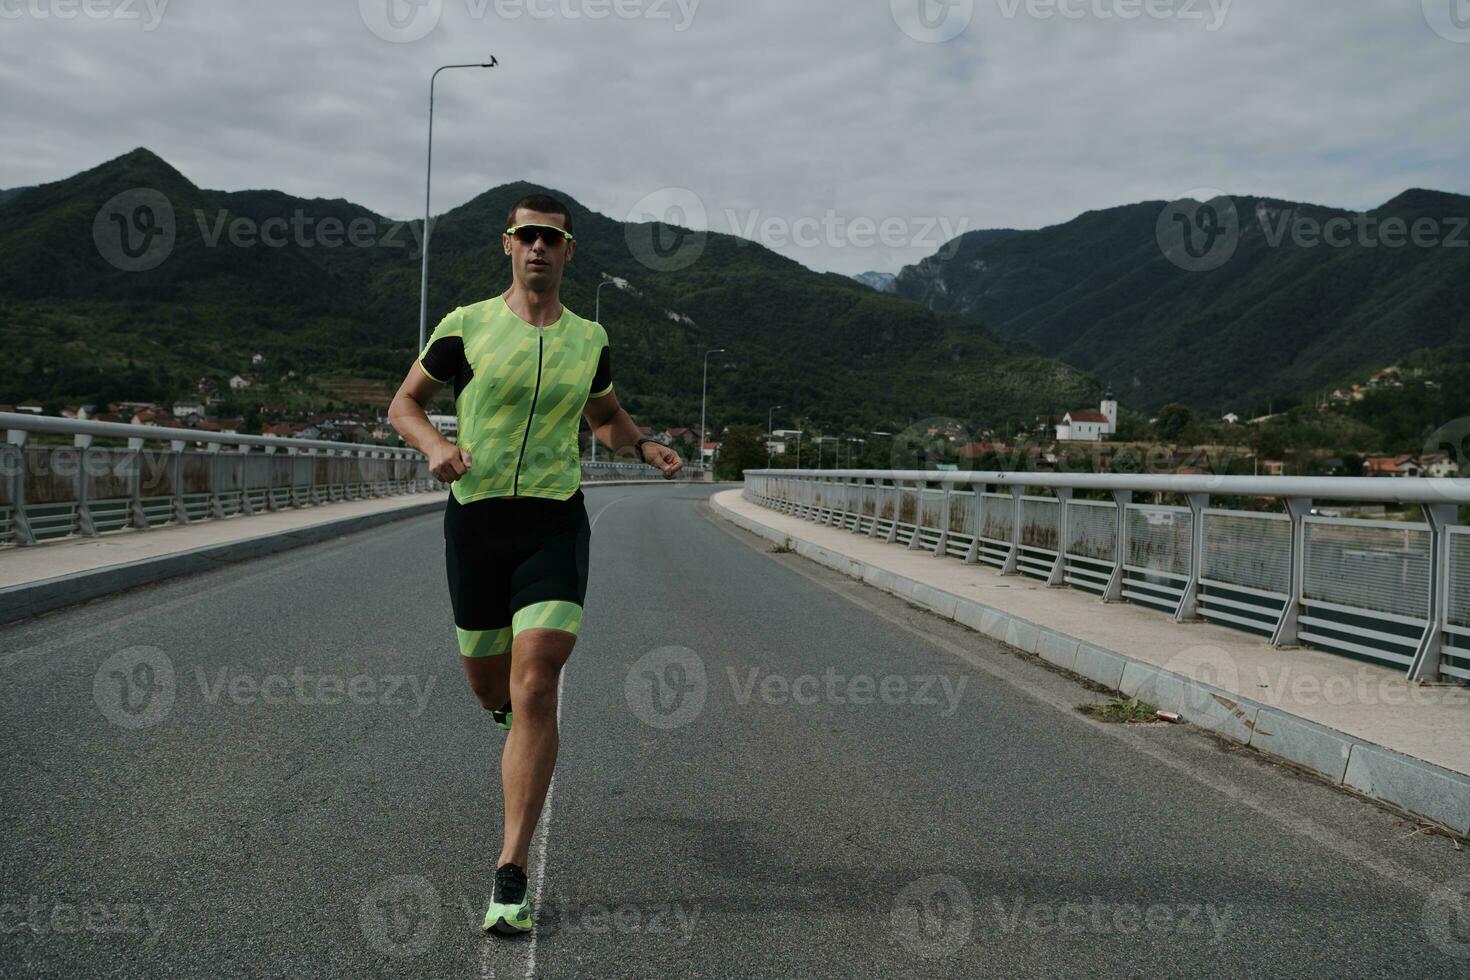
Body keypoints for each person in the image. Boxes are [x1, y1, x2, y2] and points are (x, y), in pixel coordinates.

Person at [388, 192, 684, 935]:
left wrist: (642, 444)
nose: (539, 248)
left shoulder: (590, 338)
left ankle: (510, 871)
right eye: (527, 237)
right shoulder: (467, 326)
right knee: (490, 682)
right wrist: (435, 449)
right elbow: (404, 405)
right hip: (477, 520)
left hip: (553, 520)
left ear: (569, 250)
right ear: (508, 245)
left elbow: (606, 416)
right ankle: (503, 714)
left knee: (538, 673)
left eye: (552, 238)